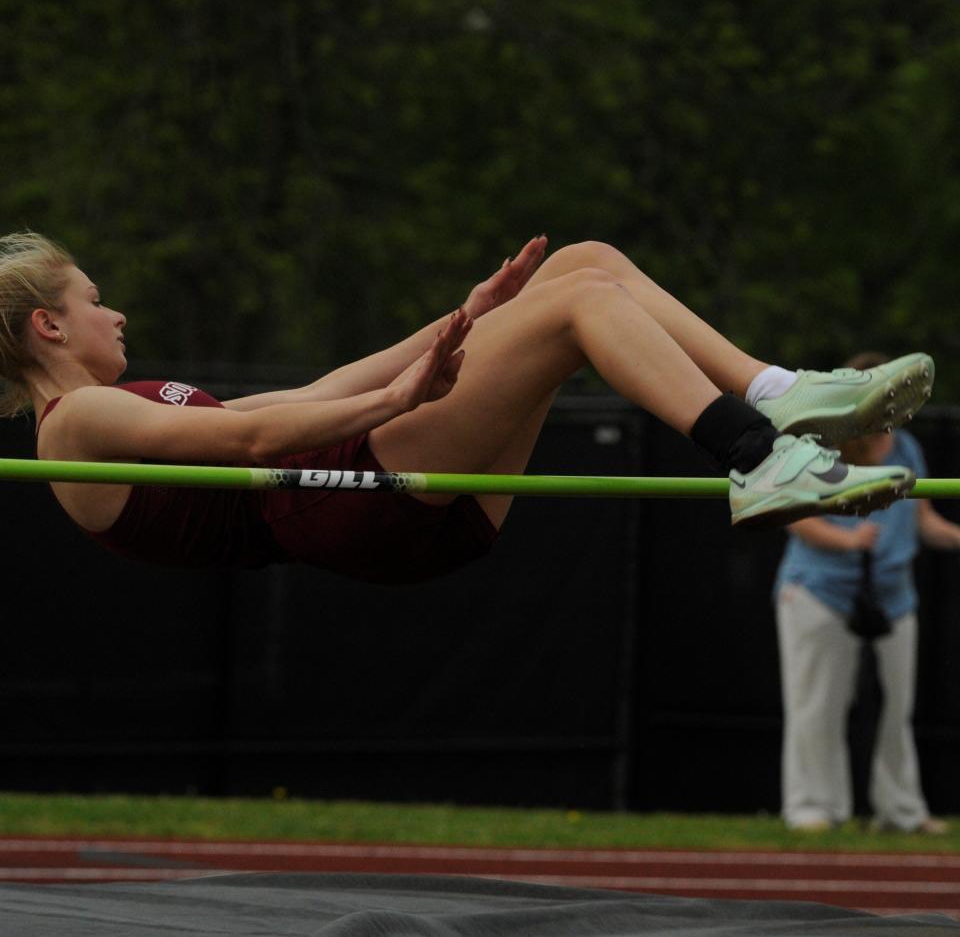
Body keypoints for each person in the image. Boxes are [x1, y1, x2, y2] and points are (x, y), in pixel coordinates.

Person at [0, 232, 934, 583]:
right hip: (339, 505)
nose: (115, 311)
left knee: (582, 265)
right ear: (47, 326)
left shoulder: (120, 403)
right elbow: (250, 435)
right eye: (93, 299)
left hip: (368, 502)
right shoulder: (76, 426)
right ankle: (757, 453)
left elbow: (307, 393)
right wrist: (403, 396)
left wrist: (465, 316)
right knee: (579, 302)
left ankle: (776, 392)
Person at [774, 352, 960, 834]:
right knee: (817, 704)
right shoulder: (817, 444)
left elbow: (924, 522)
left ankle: (900, 811)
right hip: (818, 589)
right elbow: (793, 517)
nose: (892, 424)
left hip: (893, 596)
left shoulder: (907, 449)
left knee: (898, 707)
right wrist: (848, 540)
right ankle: (813, 808)